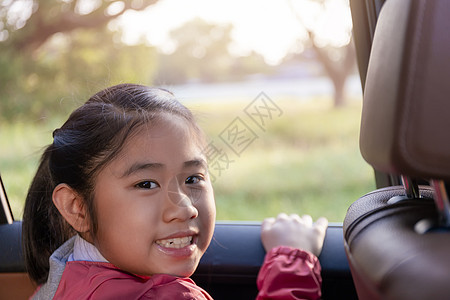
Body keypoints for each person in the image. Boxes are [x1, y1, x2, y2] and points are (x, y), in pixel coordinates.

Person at [22, 84, 328, 299]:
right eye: (146, 184)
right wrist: (292, 262)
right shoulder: (166, 296)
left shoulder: (61, 280)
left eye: (193, 178)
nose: (184, 208)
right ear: (77, 207)